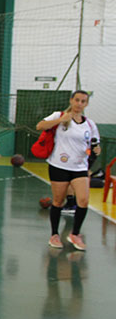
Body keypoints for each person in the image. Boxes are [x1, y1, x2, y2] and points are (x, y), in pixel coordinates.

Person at [35, 90, 100, 250]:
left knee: (83, 201)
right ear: (71, 100)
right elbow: (39, 126)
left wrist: (96, 149)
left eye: (83, 101)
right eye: (77, 100)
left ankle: (75, 234)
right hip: (59, 166)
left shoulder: (90, 124)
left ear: (86, 104)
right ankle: (54, 235)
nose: (79, 104)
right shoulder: (59, 115)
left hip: (80, 167)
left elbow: (93, 144)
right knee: (58, 201)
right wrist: (60, 120)